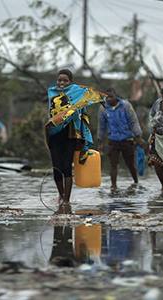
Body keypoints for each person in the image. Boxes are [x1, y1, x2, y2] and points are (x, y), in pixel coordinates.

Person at [46, 69, 101, 213]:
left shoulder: (77, 94)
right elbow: (51, 114)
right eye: (59, 80)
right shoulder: (52, 93)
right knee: (56, 169)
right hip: (54, 135)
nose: (62, 83)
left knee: (66, 168)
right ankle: (61, 194)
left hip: (70, 134)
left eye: (65, 80)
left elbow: (82, 111)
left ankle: (66, 200)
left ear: (71, 82)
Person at [97, 88, 144, 190]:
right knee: (113, 164)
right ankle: (113, 186)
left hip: (127, 139)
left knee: (130, 164)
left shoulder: (125, 105)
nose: (109, 99)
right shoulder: (103, 108)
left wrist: (138, 136)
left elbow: (133, 121)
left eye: (111, 96)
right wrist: (100, 141)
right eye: (107, 97)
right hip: (112, 140)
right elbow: (102, 126)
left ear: (116, 96)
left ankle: (136, 182)